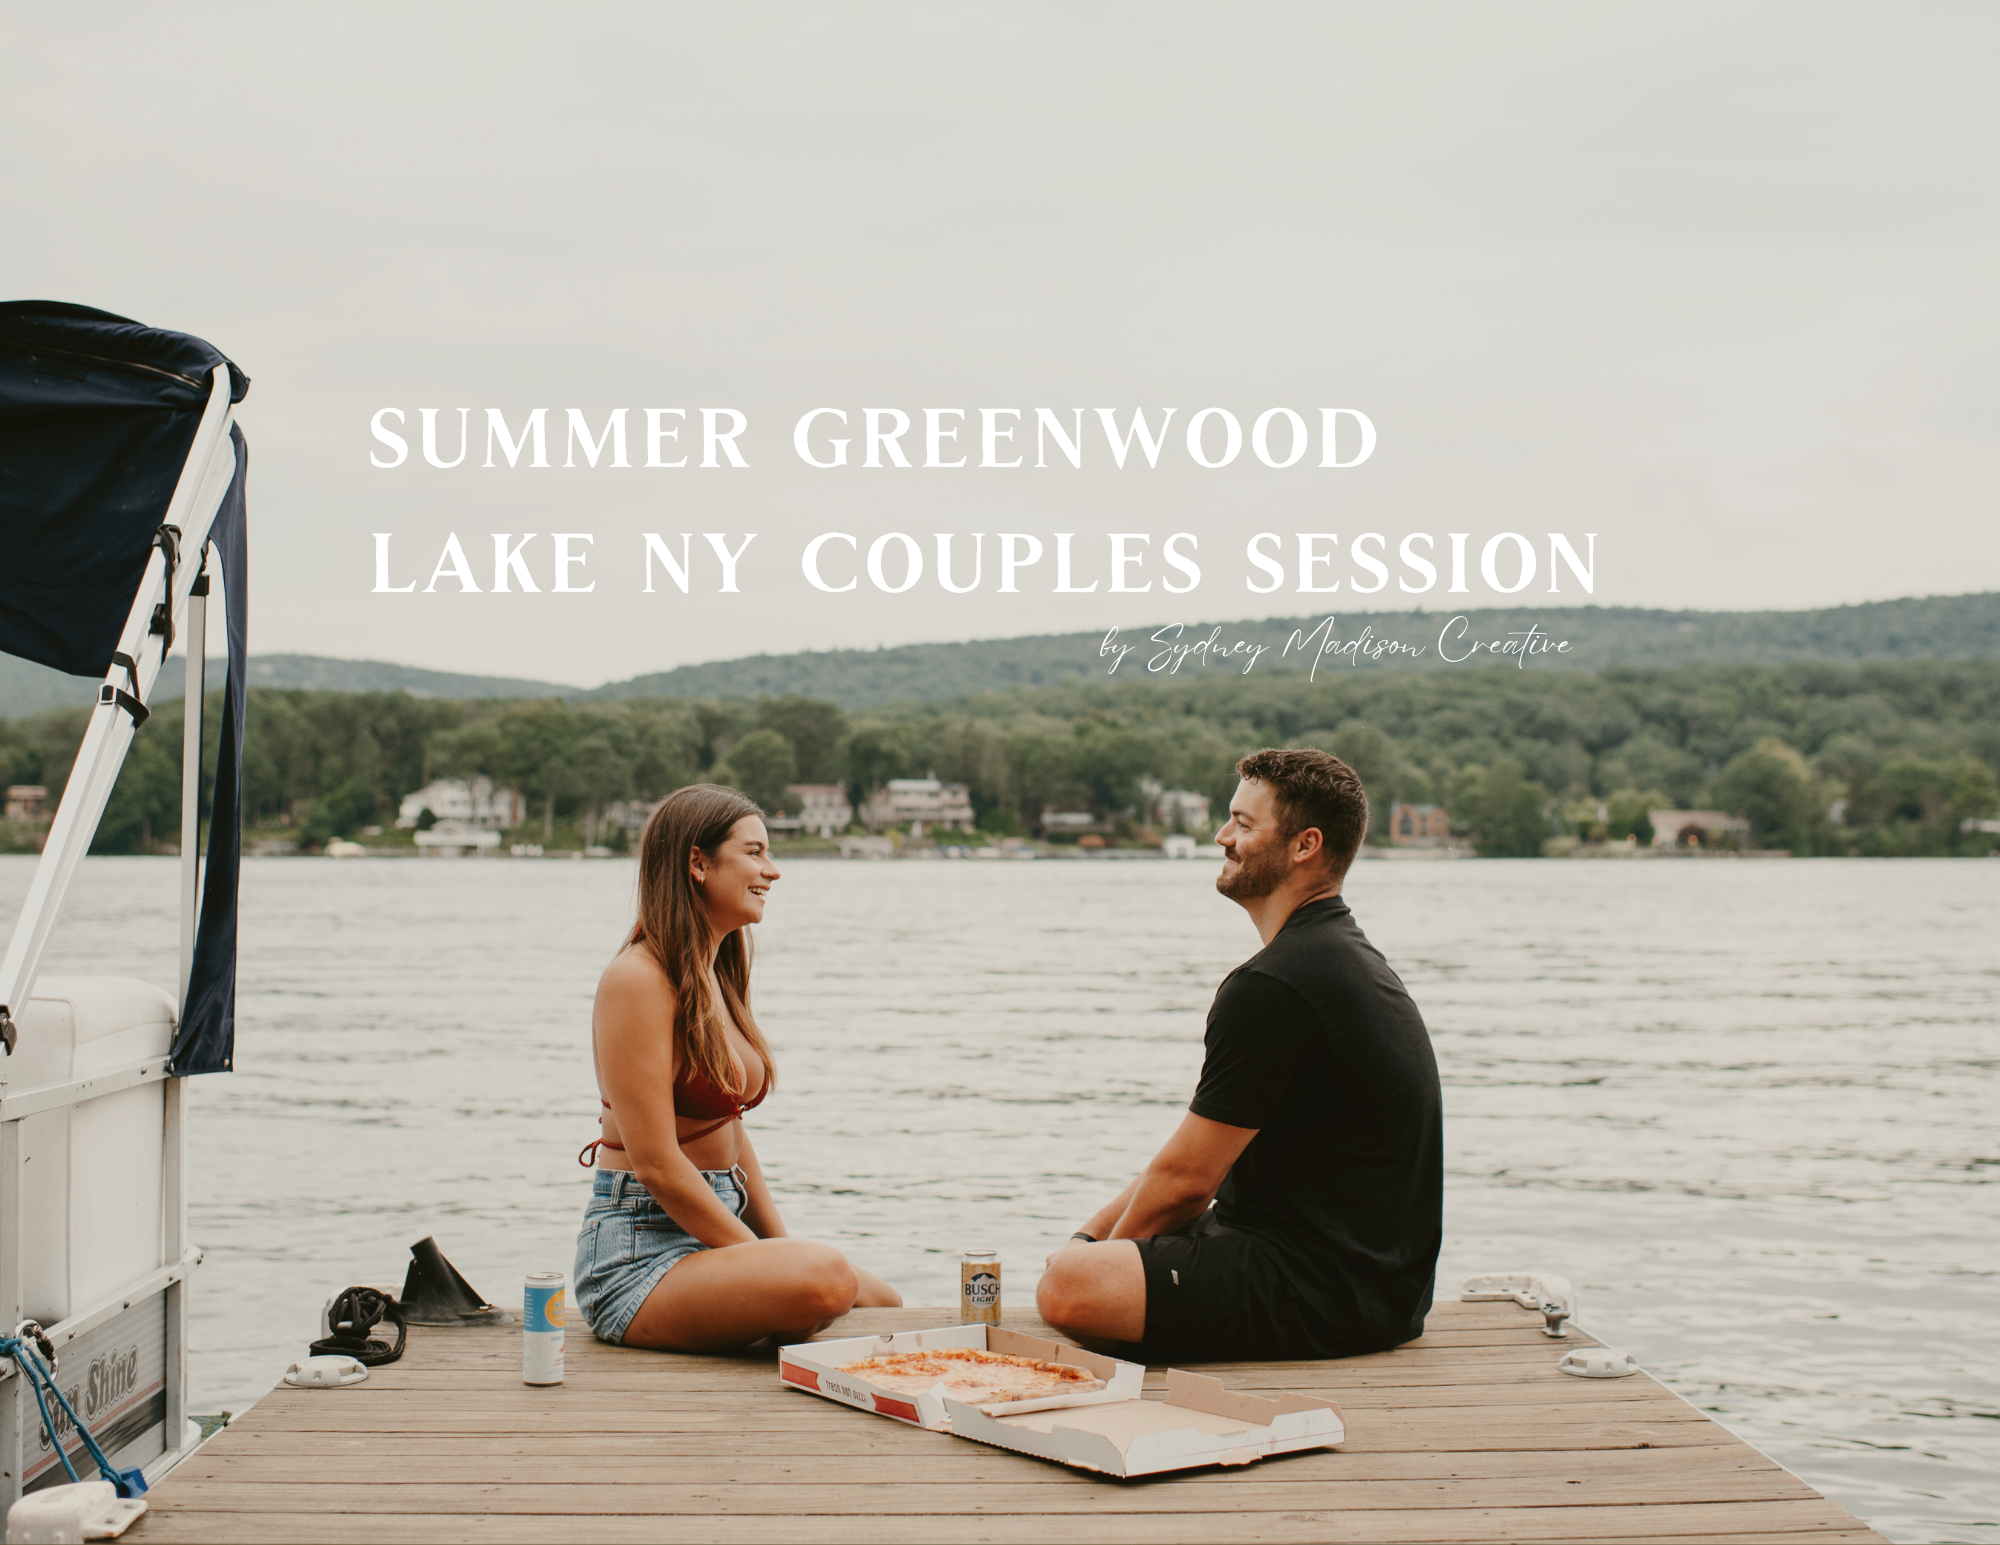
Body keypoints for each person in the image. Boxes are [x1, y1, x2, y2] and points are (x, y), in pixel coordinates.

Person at [1036, 748, 1442, 1362]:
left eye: (1244, 824)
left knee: (1067, 1289)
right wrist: (1088, 1241)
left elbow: (1184, 1185)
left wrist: (1087, 1272)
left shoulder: (1275, 985)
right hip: (1376, 1287)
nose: (1222, 836)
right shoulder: (1334, 958)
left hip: (1325, 1292)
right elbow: (1185, 1162)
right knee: (1077, 1265)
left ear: (1305, 846)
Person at [575, 783, 901, 1349]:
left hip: (714, 1233)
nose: (772, 871)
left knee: (882, 1301)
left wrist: (780, 1252)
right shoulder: (638, 980)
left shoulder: (714, 973)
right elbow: (655, 1164)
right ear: (697, 862)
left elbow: (731, 1132)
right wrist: (772, 1264)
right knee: (824, 1278)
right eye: (754, 852)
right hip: (636, 1257)